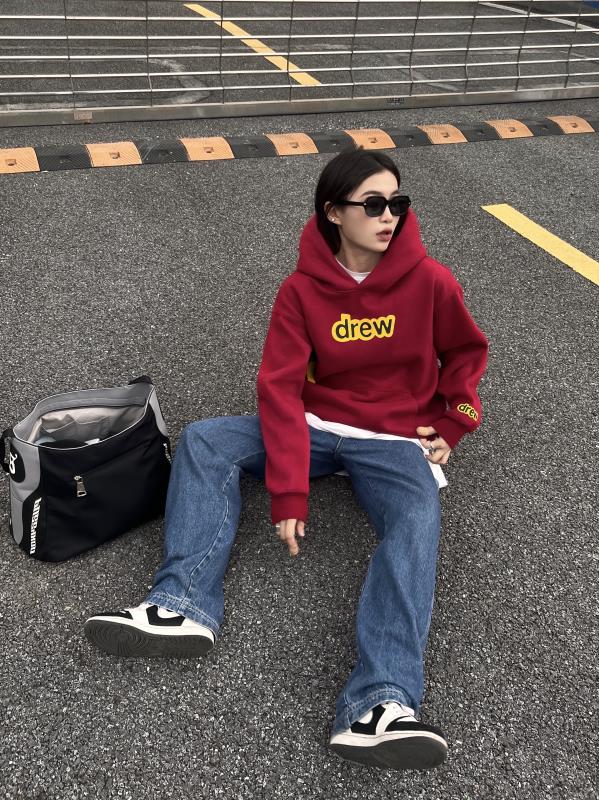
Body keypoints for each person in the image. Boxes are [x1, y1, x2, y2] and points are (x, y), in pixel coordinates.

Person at [84, 145, 489, 772]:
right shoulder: (301, 291)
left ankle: (379, 704)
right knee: (206, 440)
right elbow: (278, 389)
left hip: (392, 438)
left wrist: (453, 421)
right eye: (373, 204)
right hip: (316, 425)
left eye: (397, 203)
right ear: (334, 212)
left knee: (416, 521)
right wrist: (289, 489)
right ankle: (180, 606)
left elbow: (466, 351)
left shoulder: (432, 281)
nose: (389, 216)